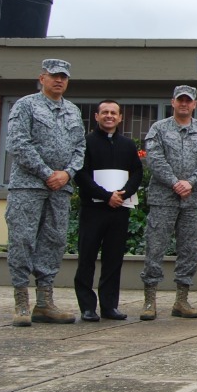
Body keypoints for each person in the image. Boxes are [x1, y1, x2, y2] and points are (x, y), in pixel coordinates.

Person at [5, 58, 85, 326]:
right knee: (23, 239)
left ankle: (44, 302)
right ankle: (21, 302)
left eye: (63, 77)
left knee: (53, 241)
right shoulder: (26, 105)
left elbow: (80, 148)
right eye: (54, 76)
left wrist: (67, 173)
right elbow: (18, 143)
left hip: (60, 188)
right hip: (28, 186)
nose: (59, 80)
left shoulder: (73, 111)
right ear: (42, 78)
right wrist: (46, 172)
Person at [140, 85, 197, 321]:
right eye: (180, 100)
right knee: (155, 246)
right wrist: (175, 182)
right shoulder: (159, 129)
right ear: (173, 102)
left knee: (190, 249)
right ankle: (149, 301)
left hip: (192, 200)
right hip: (164, 198)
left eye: (188, 101)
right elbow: (154, 158)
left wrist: (190, 182)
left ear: (194, 104)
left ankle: (181, 300)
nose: (184, 104)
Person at [74, 99, 143, 322]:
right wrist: (106, 196)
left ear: (120, 117)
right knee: (87, 258)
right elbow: (80, 174)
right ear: (96, 116)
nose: (109, 116)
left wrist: (122, 193)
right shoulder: (86, 143)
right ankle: (87, 307)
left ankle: (109, 306)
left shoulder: (127, 145)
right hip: (93, 209)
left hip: (119, 209)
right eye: (105, 112)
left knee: (114, 260)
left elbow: (137, 173)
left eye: (114, 113)